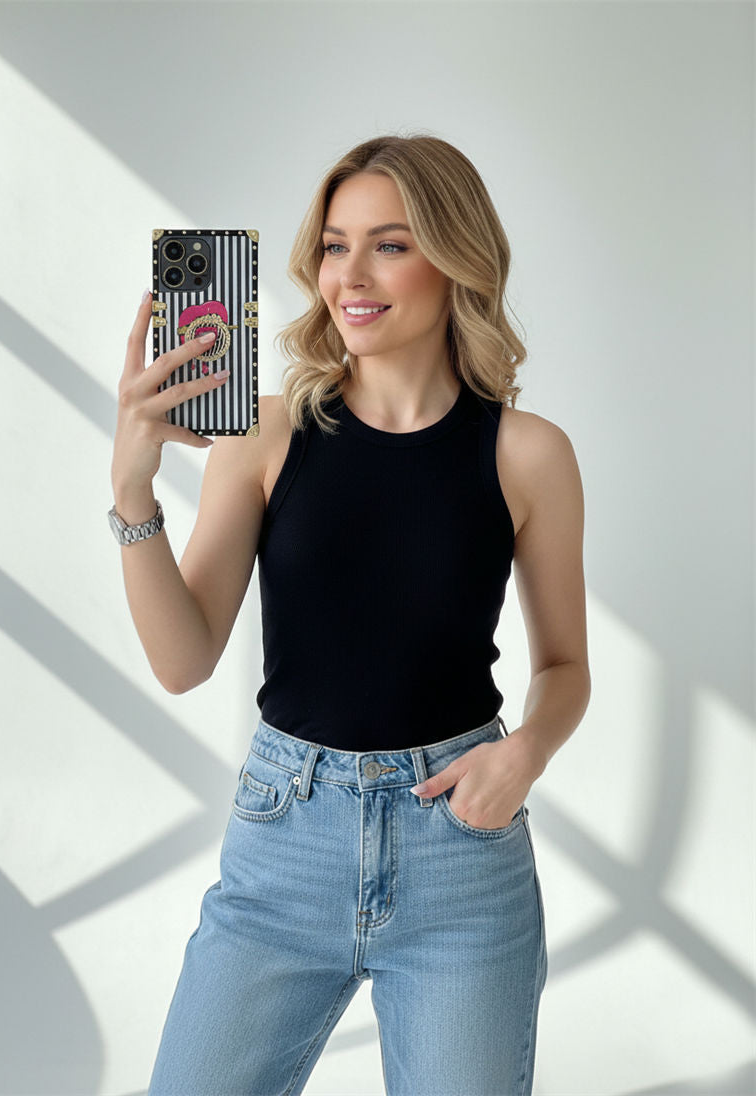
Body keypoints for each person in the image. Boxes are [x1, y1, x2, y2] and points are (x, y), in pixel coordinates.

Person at [111, 134, 590, 1096]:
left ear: (456, 259)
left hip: (460, 855)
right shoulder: (267, 432)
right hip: (286, 838)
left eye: (389, 245)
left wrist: (525, 753)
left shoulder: (528, 454)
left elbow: (566, 667)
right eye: (333, 246)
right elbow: (183, 658)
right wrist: (133, 491)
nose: (349, 276)